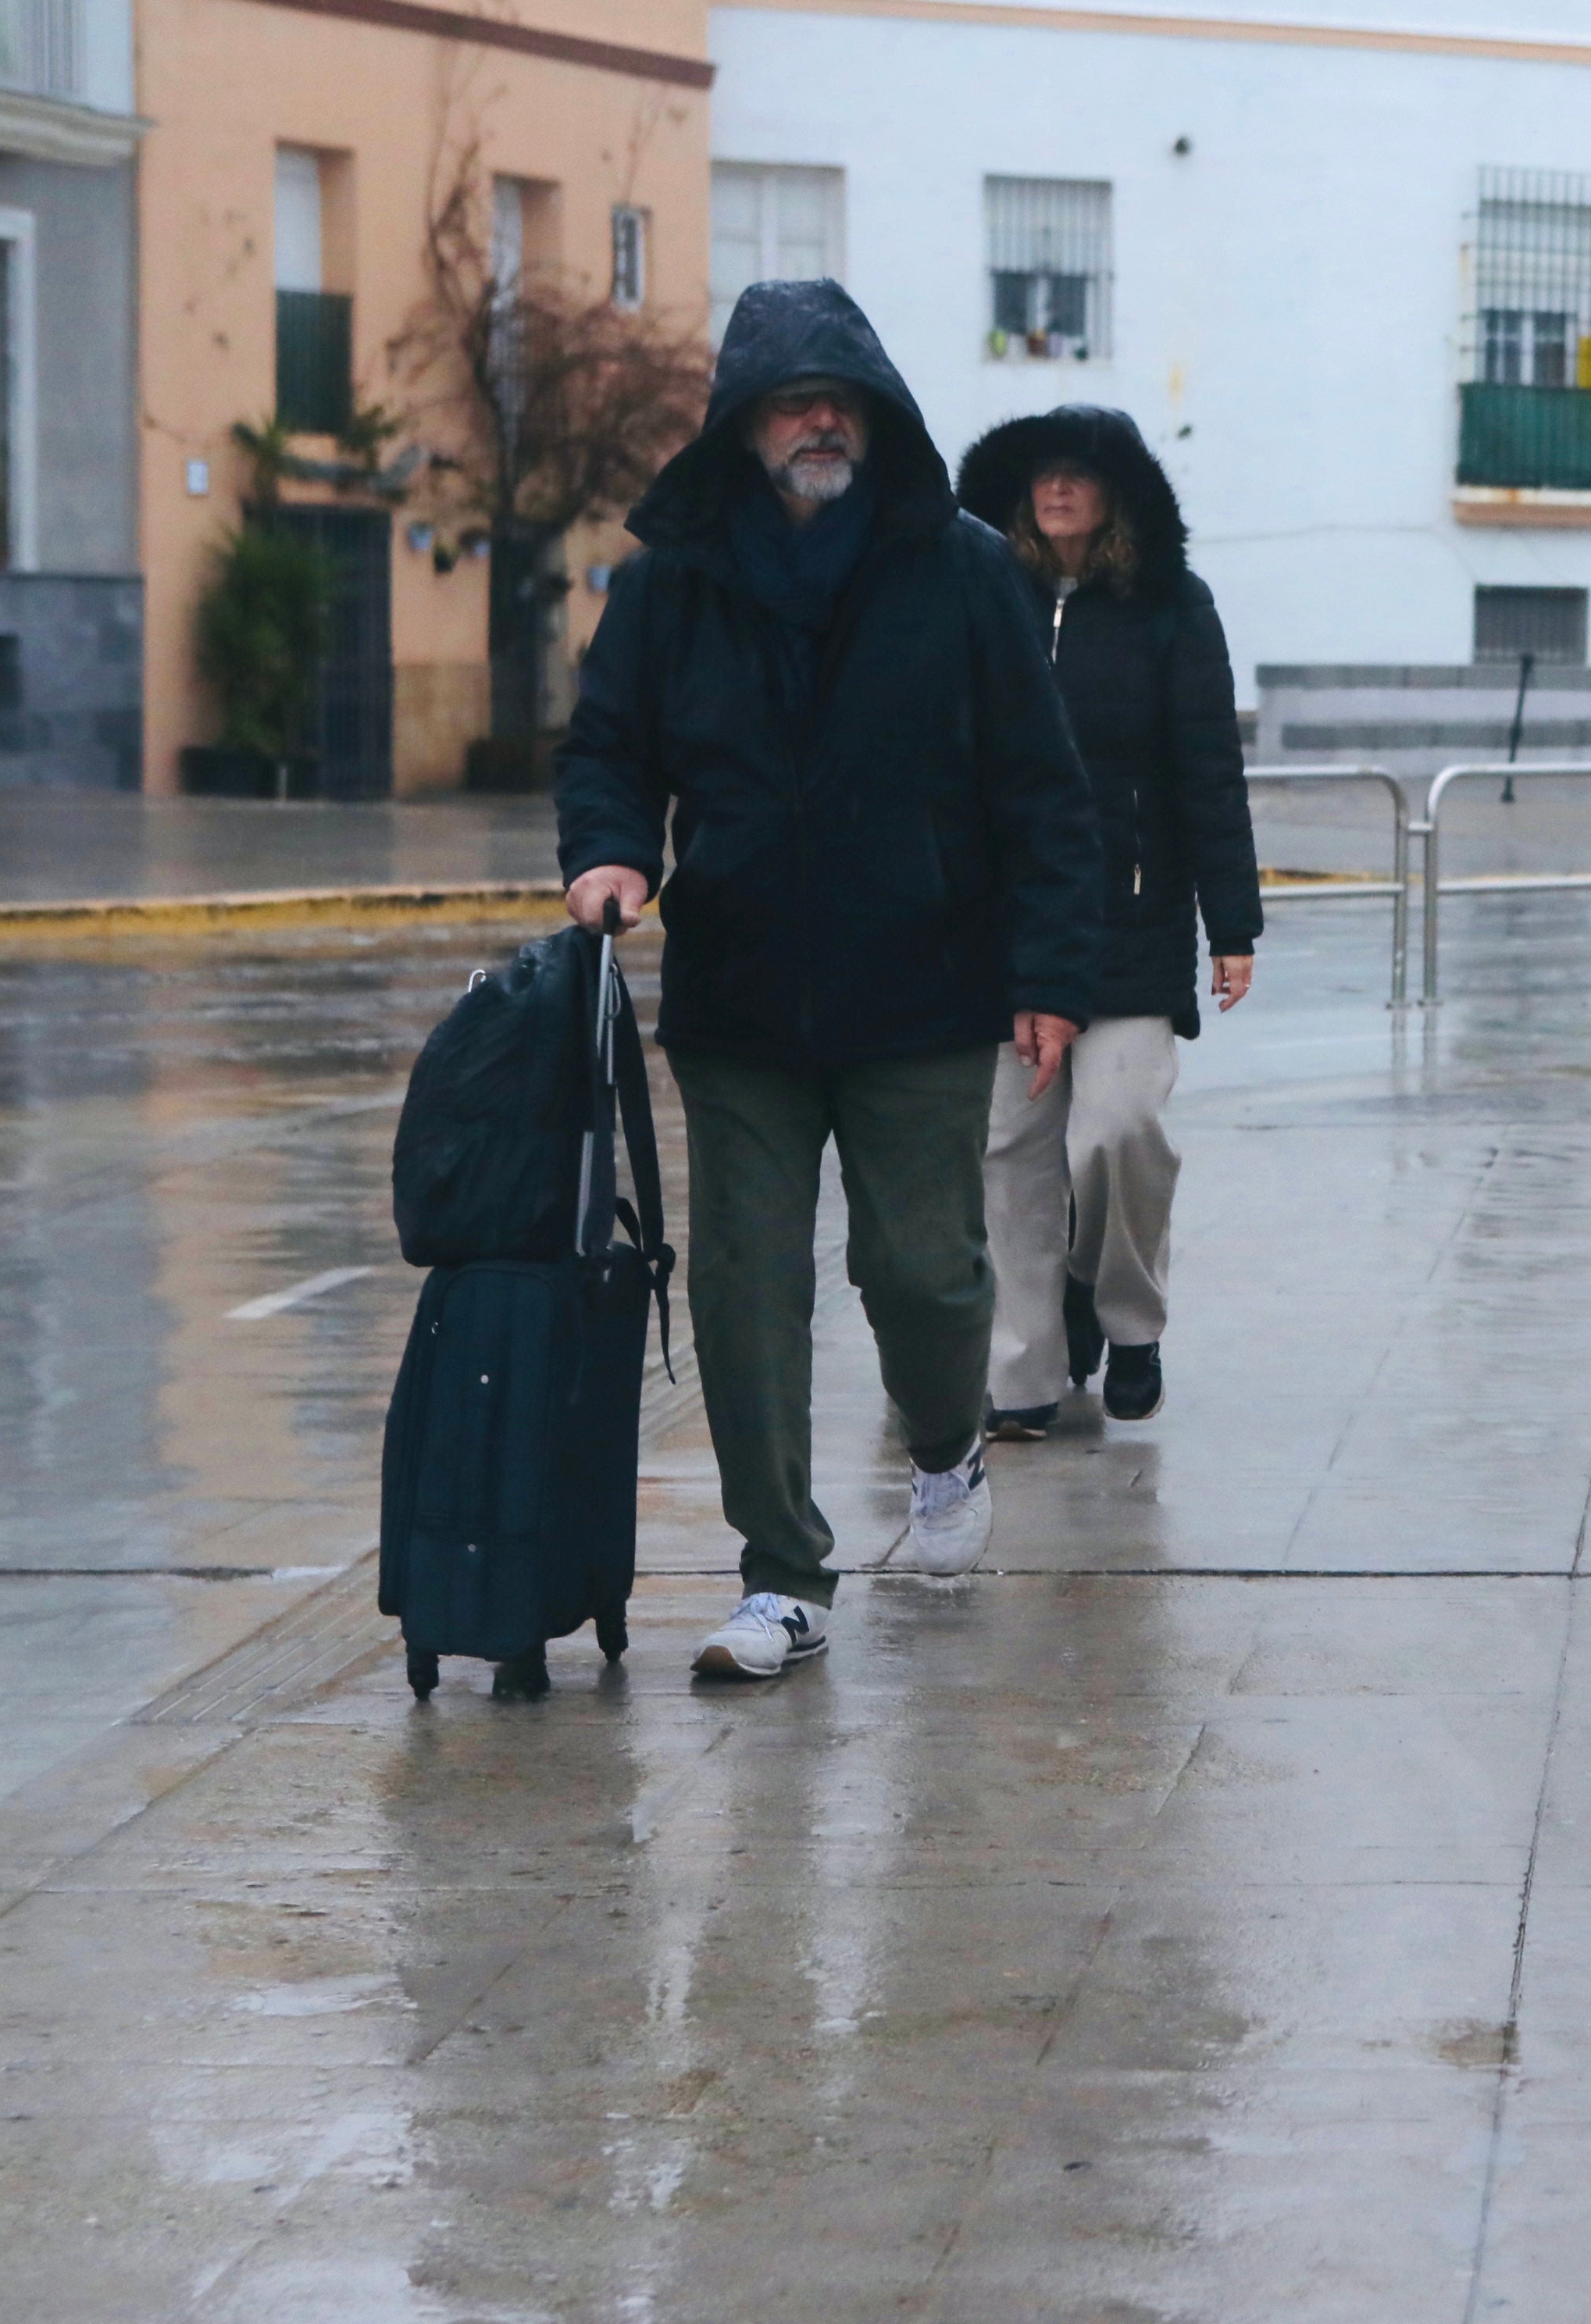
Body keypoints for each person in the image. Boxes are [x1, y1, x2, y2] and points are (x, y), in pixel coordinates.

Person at [554, 280, 1104, 1681]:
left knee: (917, 1270)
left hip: (921, 986)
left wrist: (1047, 968)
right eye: (791, 399)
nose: (817, 419)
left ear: (872, 414)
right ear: (741, 424)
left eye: (838, 396)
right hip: (740, 995)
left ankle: (943, 1449)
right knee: (746, 1285)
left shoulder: (962, 567)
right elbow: (609, 743)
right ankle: (783, 1575)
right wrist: (612, 855)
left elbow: (1042, 789)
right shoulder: (673, 578)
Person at [953, 406, 1261, 1435]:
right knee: (1010, 1153)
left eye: (1077, 474)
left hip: (1130, 925)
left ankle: (1128, 1319)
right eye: (1041, 474)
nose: (1056, 488)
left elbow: (1209, 773)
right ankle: (1025, 1376)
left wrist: (1233, 927)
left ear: (1116, 491)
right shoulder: (987, 597)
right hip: (1000, 926)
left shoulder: (1172, 607)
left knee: (1115, 1134)